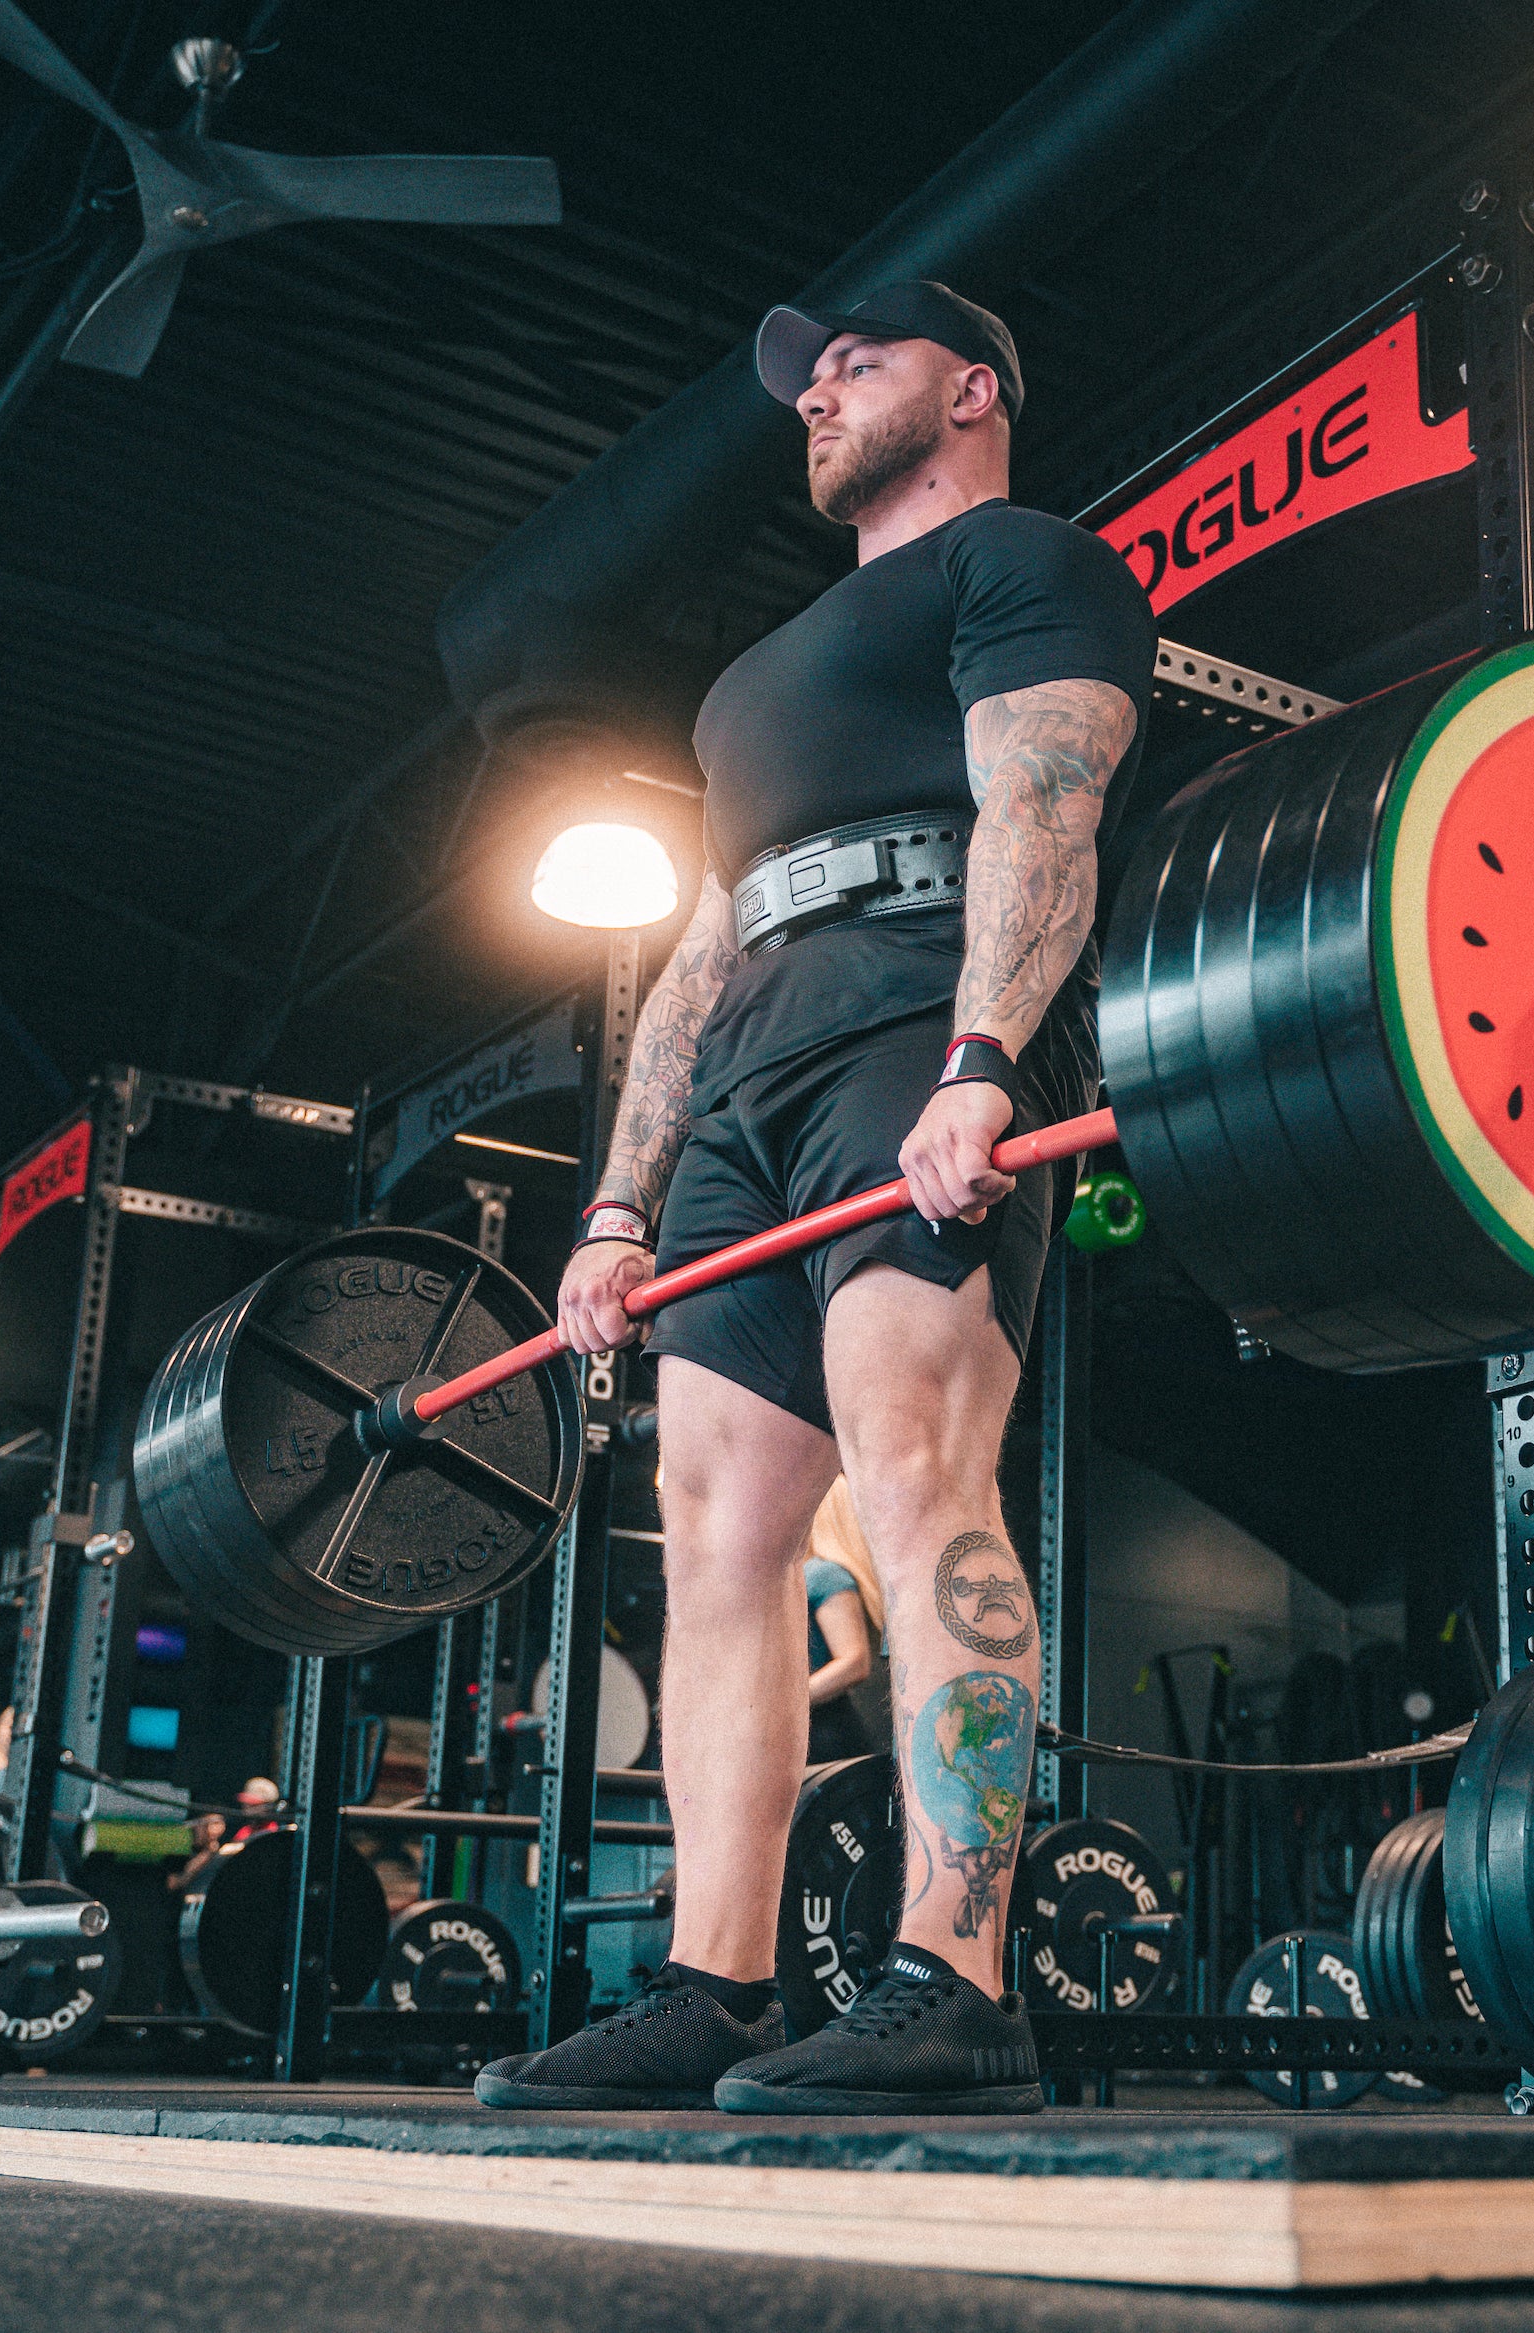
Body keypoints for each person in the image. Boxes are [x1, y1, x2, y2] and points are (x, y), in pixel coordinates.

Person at [475, 280, 1150, 2116]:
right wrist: (618, 1205)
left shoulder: (1023, 559)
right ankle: (718, 1984)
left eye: (860, 357)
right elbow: (699, 949)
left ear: (974, 383)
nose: (819, 390)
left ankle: (958, 1971)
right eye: (804, 376)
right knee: (712, 1534)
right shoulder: (746, 686)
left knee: (916, 1454)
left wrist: (985, 1055)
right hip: (751, 1072)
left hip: (910, 1019)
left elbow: (1043, 809)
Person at [802, 1480, 885, 1763]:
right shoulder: (810, 1574)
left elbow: (854, 1662)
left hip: (827, 1746)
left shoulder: (824, 1575)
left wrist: (781, 1706)